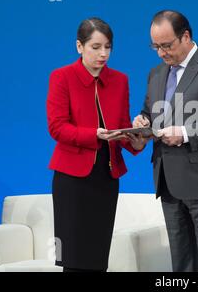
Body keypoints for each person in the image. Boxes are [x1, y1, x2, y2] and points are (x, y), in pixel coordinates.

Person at [133, 10, 198, 272]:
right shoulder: (156, 74)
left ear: (186, 36)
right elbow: (151, 112)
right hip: (168, 183)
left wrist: (184, 132)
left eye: (166, 45)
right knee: (181, 265)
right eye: (155, 46)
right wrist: (142, 122)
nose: (160, 53)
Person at [46, 17, 145, 272]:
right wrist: (95, 135)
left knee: (98, 257)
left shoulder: (120, 80)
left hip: (106, 176)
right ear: (79, 46)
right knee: (72, 258)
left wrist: (137, 140)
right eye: (96, 47)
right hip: (72, 178)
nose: (103, 54)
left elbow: (121, 124)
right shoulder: (61, 77)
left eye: (108, 47)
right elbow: (57, 127)